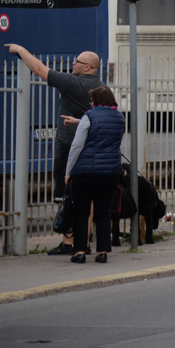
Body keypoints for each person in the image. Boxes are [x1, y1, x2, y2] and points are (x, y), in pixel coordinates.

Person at [5, 44, 102, 255]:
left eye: (77, 61)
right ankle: (83, 242)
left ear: (87, 67)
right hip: (93, 149)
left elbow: (40, 70)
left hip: (69, 147)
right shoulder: (103, 89)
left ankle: (68, 243)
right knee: (88, 196)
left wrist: (21, 51)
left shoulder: (73, 83)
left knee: (65, 194)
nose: (73, 63)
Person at [64, 85, 125, 264]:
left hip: (86, 171)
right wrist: (79, 121)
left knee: (82, 211)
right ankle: (103, 252)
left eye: (92, 100)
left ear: (96, 101)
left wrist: (68, 171)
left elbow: (77, 146)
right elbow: (104, 132)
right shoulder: (119, 117)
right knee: (103, 211)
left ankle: (80, 252)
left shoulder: (89, 116)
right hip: (110, 171)